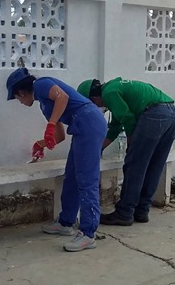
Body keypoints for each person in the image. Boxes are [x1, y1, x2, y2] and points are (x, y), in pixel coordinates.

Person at [7, 68, 107, 252]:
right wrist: (41, 144)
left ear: (21, 92)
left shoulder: (41, 84)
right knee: (71, 176)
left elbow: (63, 97)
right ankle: (65, 222)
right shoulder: (44, 105)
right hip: (81, 126)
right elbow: (59, 136)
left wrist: (50, 125)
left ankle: (88, 234)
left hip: (90, 122)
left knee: (86, 179)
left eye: (17, 98)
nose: (20, 102)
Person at [76, 78, 175, 226]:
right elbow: (115, 127)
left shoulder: (109, 93)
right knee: (154, 165)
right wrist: (98, 149)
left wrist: (131, 145)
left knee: (134, 165)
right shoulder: (114, 89)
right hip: (171, 114)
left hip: (154, 115)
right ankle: (142, 211)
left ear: (94, 98)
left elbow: (128, 119)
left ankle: (124, 213)